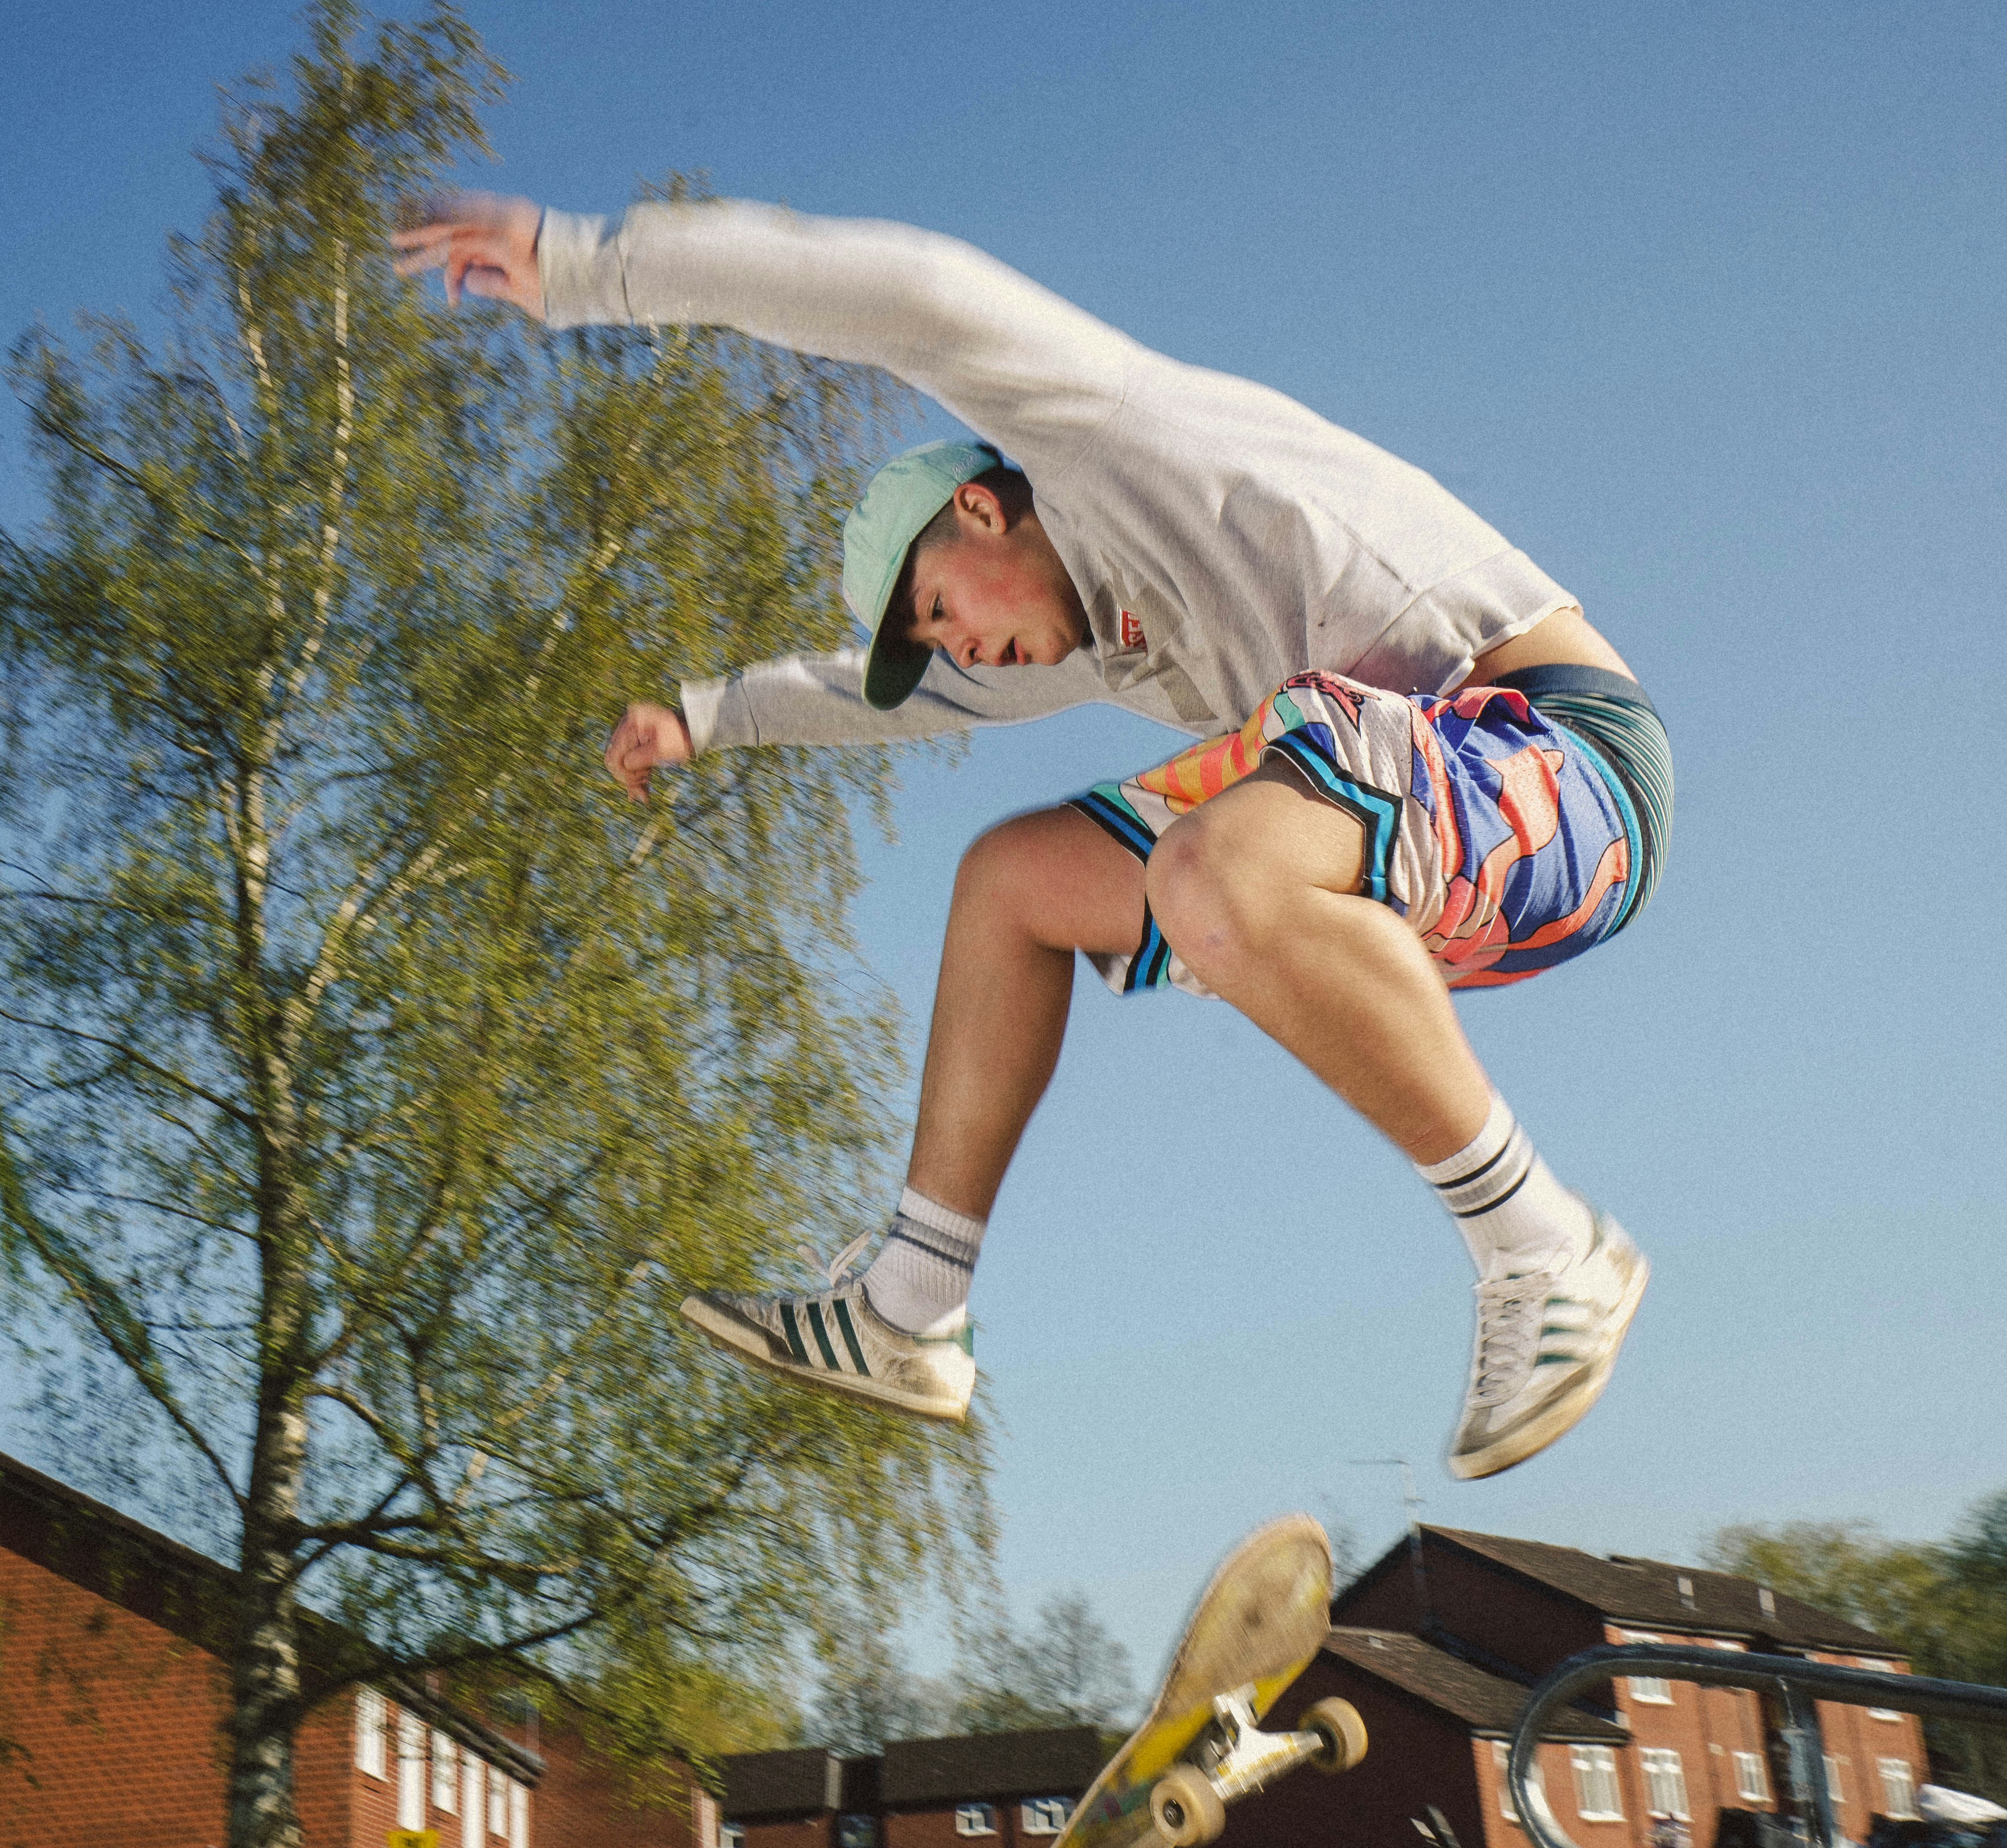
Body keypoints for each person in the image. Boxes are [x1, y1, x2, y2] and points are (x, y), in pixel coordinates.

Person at [395, 191, 1669, 1477]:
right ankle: (908, 1308)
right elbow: (873, 700)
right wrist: (703, 716)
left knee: (1206, 866)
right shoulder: (1101, 641)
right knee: (1012, 882)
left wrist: (583, 269)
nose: (963, 655)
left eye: (944, 609)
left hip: (1563, 769)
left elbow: (916, 299)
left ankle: (1543, 1249)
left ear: (988, 513)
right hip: (1408, 817)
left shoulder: (1107, 442)